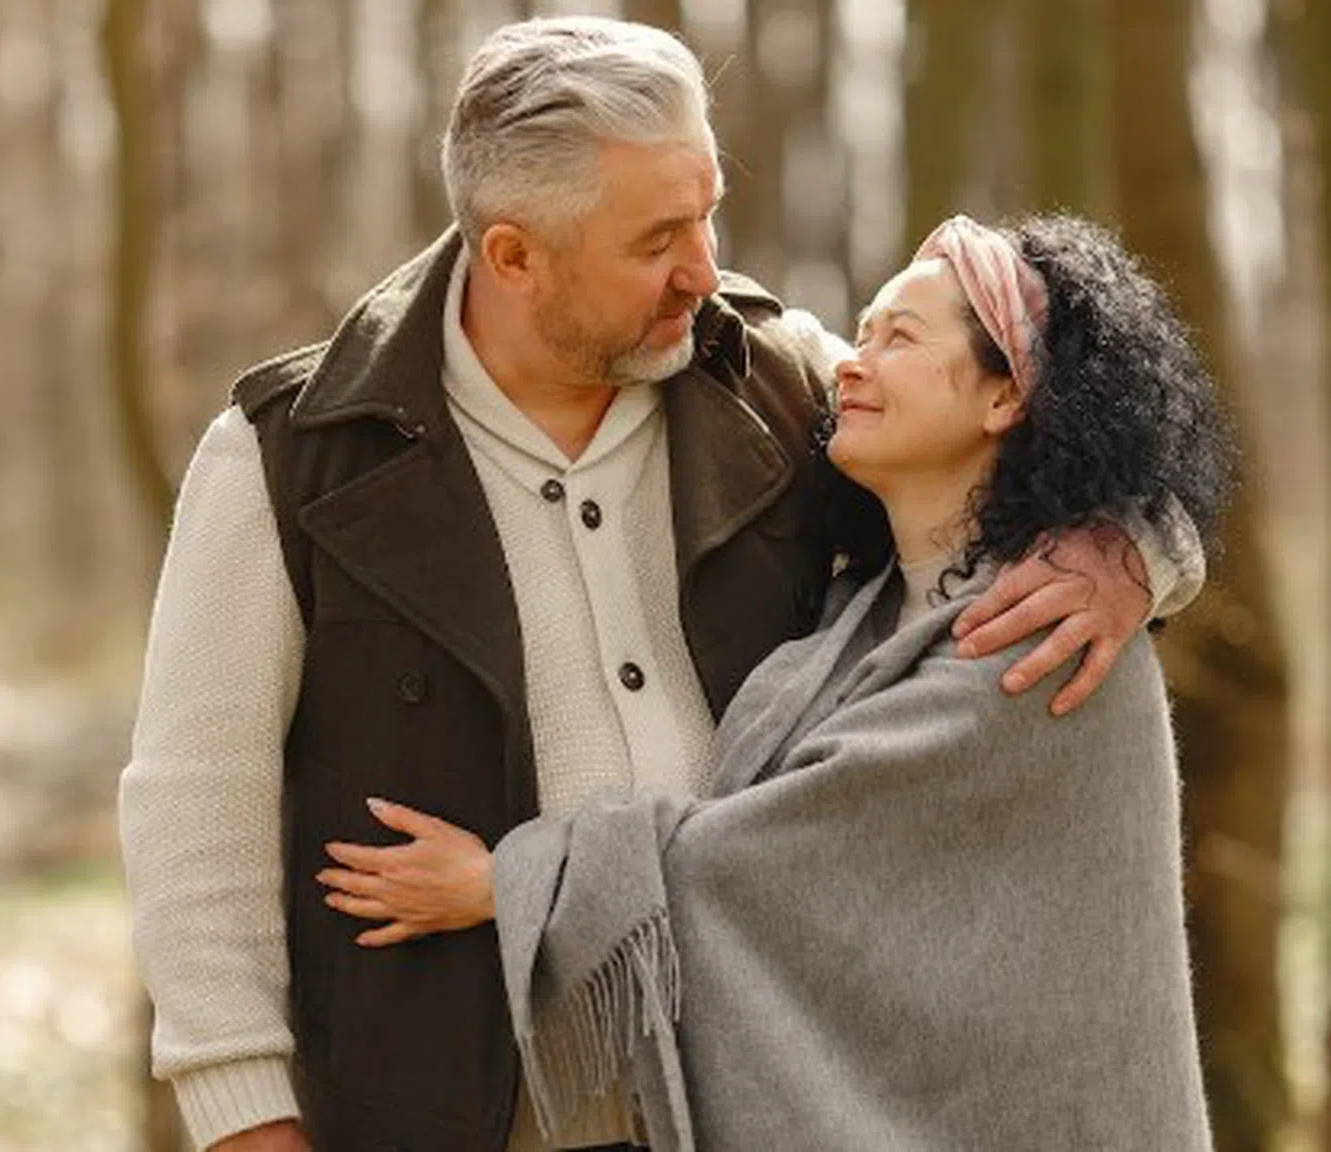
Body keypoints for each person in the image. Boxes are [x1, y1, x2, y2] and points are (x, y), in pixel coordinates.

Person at [118, 18, 1201, 1152]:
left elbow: (1028, 436)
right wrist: (245, 1118)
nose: (703, 266)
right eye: (655, 239)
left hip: (747, 1094)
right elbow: (196, 805)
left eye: (707, 211)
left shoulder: (774, 379)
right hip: (453, 1109)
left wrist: (1131, 550)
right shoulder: (291, 457)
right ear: (515, 256)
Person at [326, 214, 1221, 1149]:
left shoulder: (1051, 639)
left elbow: (769, 859)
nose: (850, 366)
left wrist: (506, 885)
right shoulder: (853, 618)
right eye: (860, 333)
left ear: (1006, 398)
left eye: (900, 338)